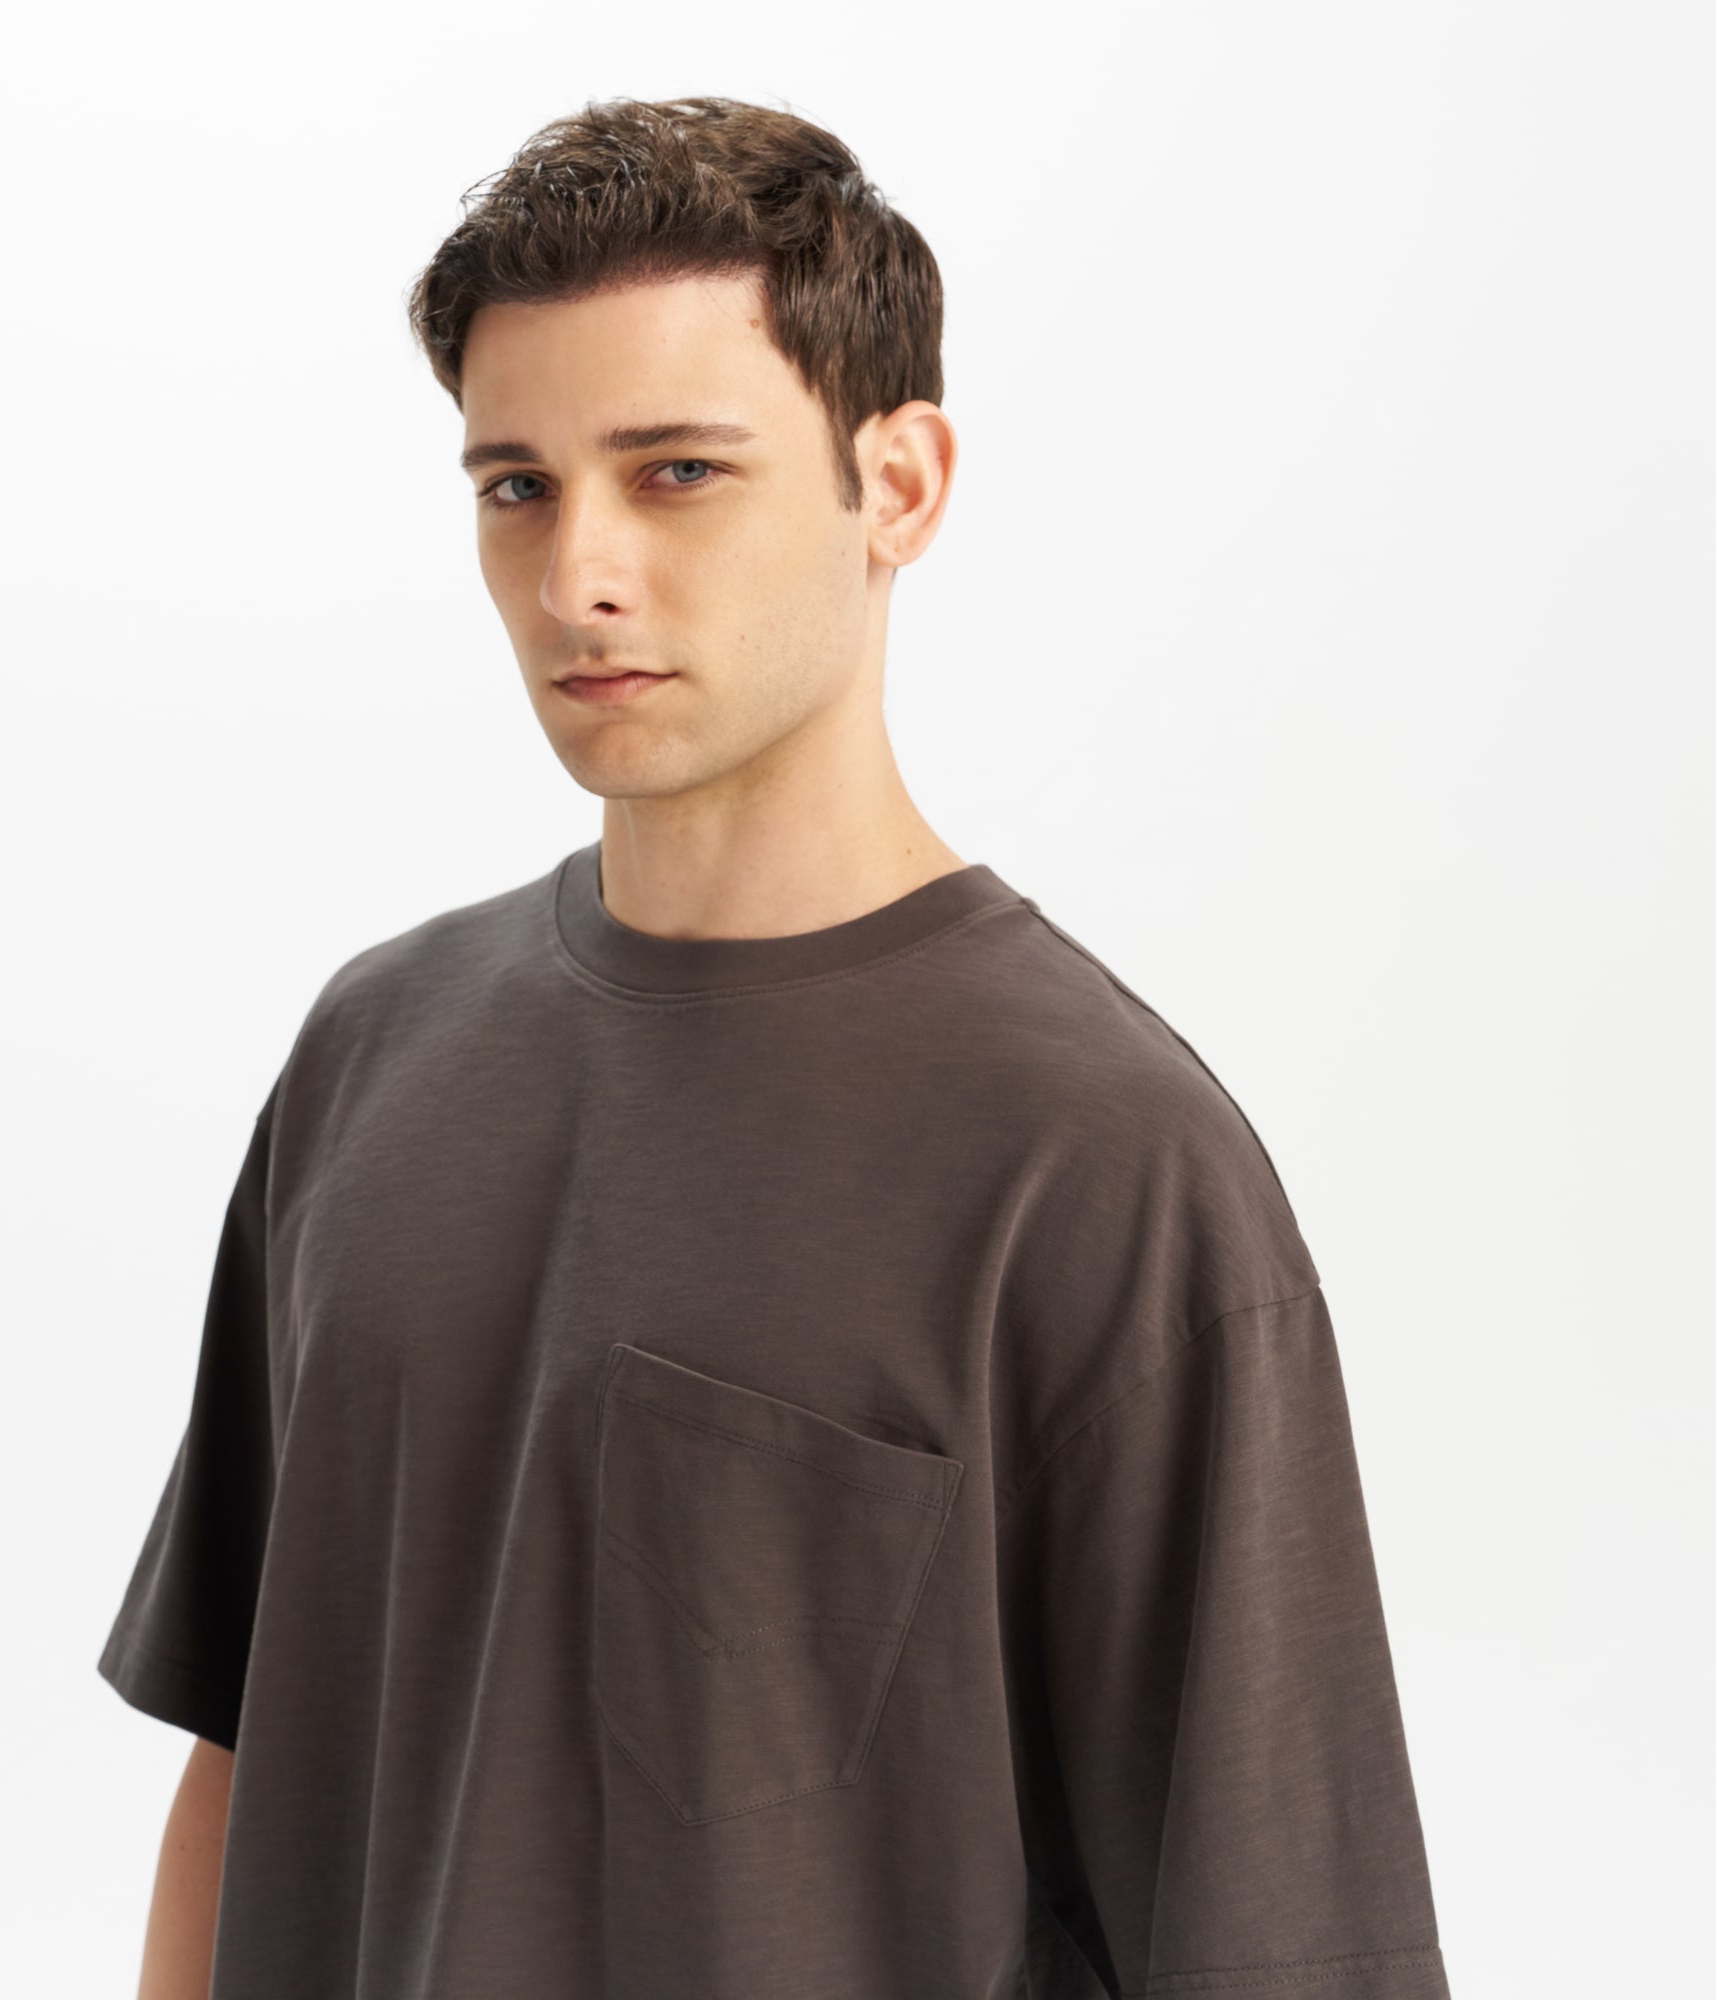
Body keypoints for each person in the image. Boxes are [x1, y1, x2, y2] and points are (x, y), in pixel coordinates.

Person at [98, 93, 1450, 2000]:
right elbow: (248, 1765)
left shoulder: (1098, 1167)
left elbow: (1284, 1943)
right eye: (517, 486)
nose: (577, 575)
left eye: (677, 473)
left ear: (898, 484)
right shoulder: (372, 1059)